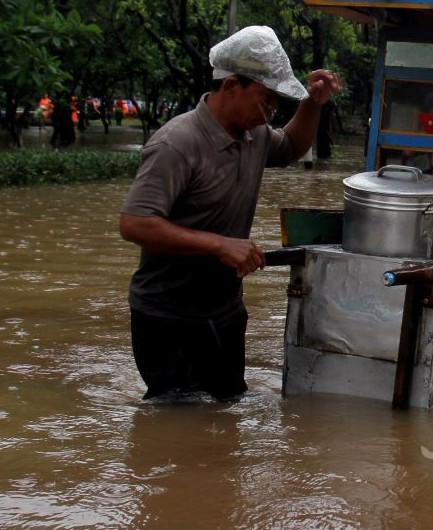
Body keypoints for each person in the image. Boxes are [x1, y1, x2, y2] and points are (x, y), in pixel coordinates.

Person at [119, 25, 344, 401]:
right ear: (230, 86)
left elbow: (290, 146)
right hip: (166, 317)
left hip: (222, 311)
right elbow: (135, 223)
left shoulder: (254, 136)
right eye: (265, 98)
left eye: (275, 101)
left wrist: (311, 104)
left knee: (226, 416)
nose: (271, 109)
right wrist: (219, 245)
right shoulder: (177, 143)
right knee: (180, 423)